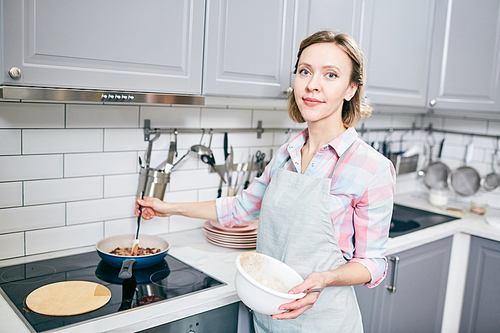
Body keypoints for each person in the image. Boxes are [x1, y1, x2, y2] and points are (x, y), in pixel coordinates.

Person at [136, 30, 395, 332]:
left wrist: (325, 278)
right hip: (268, 319)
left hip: (324, 322)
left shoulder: (372, 167)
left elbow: (373, 263)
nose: (312, 85)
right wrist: (169, 207)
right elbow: (241, 208)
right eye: (305, 71)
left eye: (331, 75)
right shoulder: (287, 153)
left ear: (351, 88)